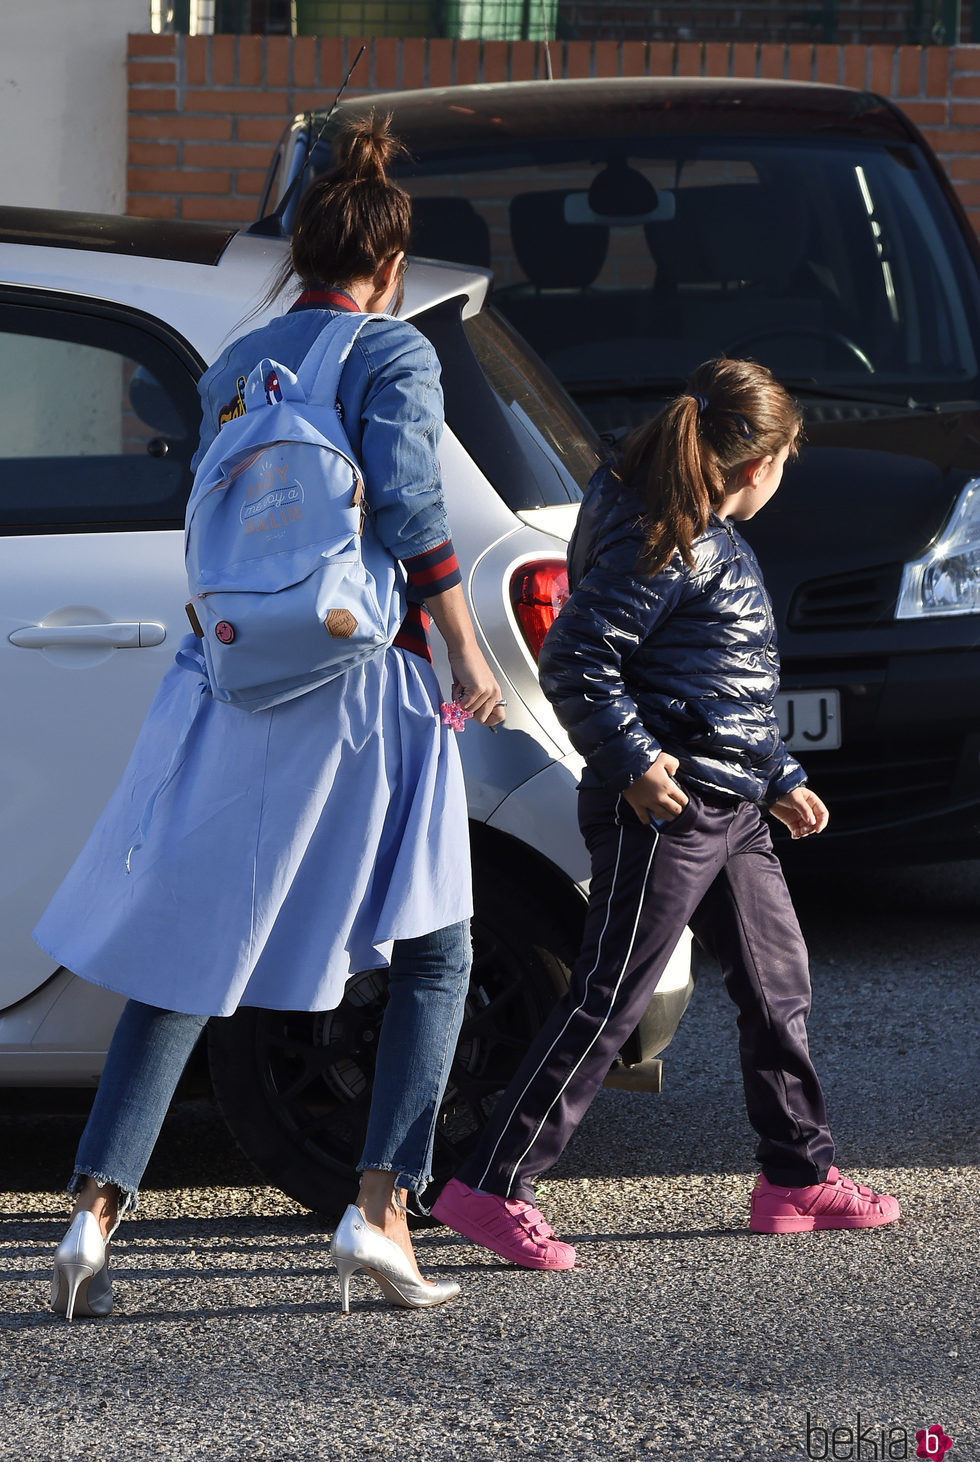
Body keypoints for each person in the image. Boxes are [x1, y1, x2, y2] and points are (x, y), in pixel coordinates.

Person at [36, 115, 504, 1319]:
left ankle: (91, 1212)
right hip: (362, 688)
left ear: (297, 258)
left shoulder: (236, 366)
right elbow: (406, 510)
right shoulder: (392, 356)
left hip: (239, 686)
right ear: (389, 268)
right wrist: (464, 650)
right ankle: (381, 1212)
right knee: (435, 942)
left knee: (187, 951)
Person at [432, 358, 900, 1268]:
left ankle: (797, 1177)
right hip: (669, 810)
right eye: (786, 461)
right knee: (612, 997)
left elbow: (716, 689)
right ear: (754, 463)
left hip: (733, 804)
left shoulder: (691, 529)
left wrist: (779, 773)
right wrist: (636, 766)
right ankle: (490, 1186)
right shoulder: (663, 534)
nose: (783, 478)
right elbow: (577, 659)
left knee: (779, 985)